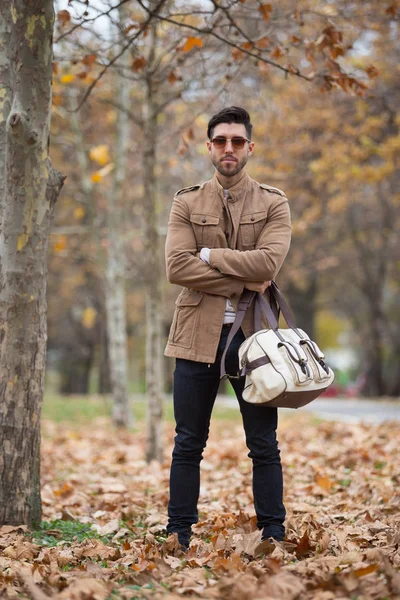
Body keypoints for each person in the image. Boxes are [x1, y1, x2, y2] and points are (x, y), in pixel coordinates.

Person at [164, 106, 292, 550]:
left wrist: (209, 256)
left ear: (250, 147)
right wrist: (244, 275)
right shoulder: (186, 201)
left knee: (263, 443)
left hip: (253, 338)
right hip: (195, 333)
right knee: (187, 442)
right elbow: (176, 267)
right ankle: (178, 531)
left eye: (237, 141)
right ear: (209, 148)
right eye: (221, 141)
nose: (229, 149)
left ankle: (273, 531)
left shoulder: (274, 203)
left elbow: (269, 263)